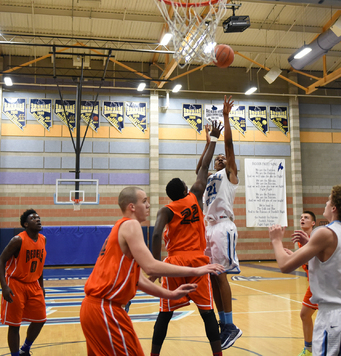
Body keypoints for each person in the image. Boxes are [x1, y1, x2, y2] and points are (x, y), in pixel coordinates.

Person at [80, 186, 224, 356]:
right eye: (144, 201)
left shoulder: (119, 228)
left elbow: (138, 280)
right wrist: (197, 271)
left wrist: (170, 294)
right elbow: (151, 266)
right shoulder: (131, 224)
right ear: (132, 207)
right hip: (106, 309)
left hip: (92, 309)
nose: (148, 205)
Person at [150, 121, 224, 356]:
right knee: (207, 313)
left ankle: (154, 354)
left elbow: (154, 234)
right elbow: (203, 167)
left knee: (165, 313)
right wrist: (213, 139)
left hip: (173, 264)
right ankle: (217, 354)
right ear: (184, 190)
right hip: (198, 263)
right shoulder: (195, 196)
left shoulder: (166, 209)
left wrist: (155, 264)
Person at [269, 185, 341, 356]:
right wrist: (310, 246)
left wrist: (276, 240)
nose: (326, 203)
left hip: (334, 318)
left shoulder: (325, 233)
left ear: (334, 208)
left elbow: (284, 266)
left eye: (329, 200)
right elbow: (332, 259)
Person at [197, 95, 242, 350]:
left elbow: (230, 148)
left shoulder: (230, 175)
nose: (220, 160)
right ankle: (222, 323)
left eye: (223, 159)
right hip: (208, 227)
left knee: (221, 274)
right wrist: (208, 143)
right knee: (212, 276)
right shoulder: (210, 177)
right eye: (218, 159)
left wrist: (225, 119)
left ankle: (230, 324)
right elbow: (199, 168)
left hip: (224, 225)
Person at [0, 209, 47, 356]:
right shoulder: (18, 240)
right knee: (14, 324)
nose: (37, 219)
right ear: (26, 224)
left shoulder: (43, 239)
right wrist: (4, 287)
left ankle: (25, 348)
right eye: (33, 218)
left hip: (33, 284)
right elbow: (0, 261)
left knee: (40, 319)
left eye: (38, 217)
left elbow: (40, 264)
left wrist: (42, 286)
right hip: (15, 283)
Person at [290, 211, 318, 356]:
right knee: (305, 314)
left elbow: (314, 260)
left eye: (306, 218)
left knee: (319, 317)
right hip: (313, 283)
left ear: (313, 223)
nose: (302, 219)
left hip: (321, 283)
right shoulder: (302, 239)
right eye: (301, 217)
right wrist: (292, 255)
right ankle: (309, 349)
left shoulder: (316, 237)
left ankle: (317, 349)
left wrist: (293, 257)